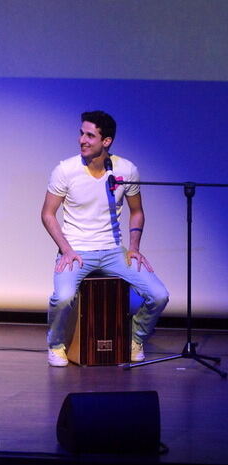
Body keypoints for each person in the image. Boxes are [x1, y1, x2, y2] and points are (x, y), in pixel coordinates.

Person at [40, 111, 169, 367]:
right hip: (76, 250)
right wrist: (66, 250)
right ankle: (55, 345)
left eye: (90, 135)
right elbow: (47, 214)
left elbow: (137, 212)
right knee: (63, 297)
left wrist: (133, 248)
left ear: (106, 141)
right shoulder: (66, 169)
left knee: (159, 294)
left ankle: (134, 339)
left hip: (112, 250)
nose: (82, 140)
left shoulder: (125, 169)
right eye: (81, 133)